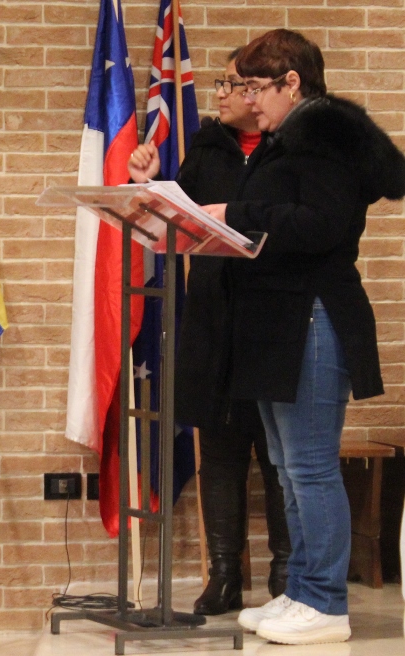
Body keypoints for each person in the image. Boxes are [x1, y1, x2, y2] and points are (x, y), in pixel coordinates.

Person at [201, 29, 405, 645]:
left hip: (313, 316)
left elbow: (321, 225)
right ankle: (301, 590)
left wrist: (236, 216)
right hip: (279, 319)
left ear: (292, 82)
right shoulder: (286, 139)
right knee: (288, 468)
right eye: (241, 87)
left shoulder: (323, 139)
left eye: (254, 87)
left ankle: (325, 602)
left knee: (311, 468)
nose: (247, 99)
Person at [127, 49, 291, 617]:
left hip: (272, 323)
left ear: (262, 91)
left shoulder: (288, 149)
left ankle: (286, 575)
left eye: (234, 84)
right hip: (212, 320)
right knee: (219, 452)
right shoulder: (207, 144)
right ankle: (224, 575)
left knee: (279, 458)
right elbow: (181, 218)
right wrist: (150, 183)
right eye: (221, 83)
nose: (220, 93)